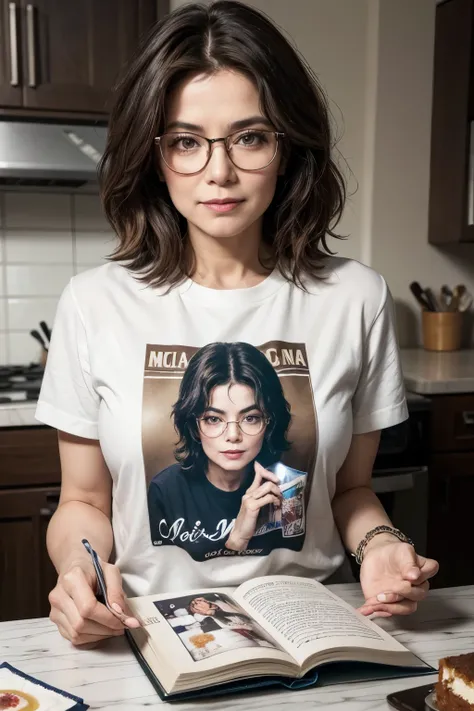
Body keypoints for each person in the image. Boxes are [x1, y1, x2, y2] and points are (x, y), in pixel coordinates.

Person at [36, 0, 439, 647]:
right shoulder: (95, 302)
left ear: (287, 146)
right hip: (150, 634)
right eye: (187, 141)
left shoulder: (355, 296)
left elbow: (350, 488)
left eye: (249, 136)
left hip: (319, 631)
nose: (218, 172)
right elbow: (83, 500)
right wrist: (79, 567)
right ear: (155, 152)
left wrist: (382, 544)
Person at [147, 340, 302, 560]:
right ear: (193, 425)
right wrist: (236, 539)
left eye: (250, 418)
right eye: (213, 419)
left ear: (269, 422)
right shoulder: (165, 489)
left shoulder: (285, 487)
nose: (232, 436)